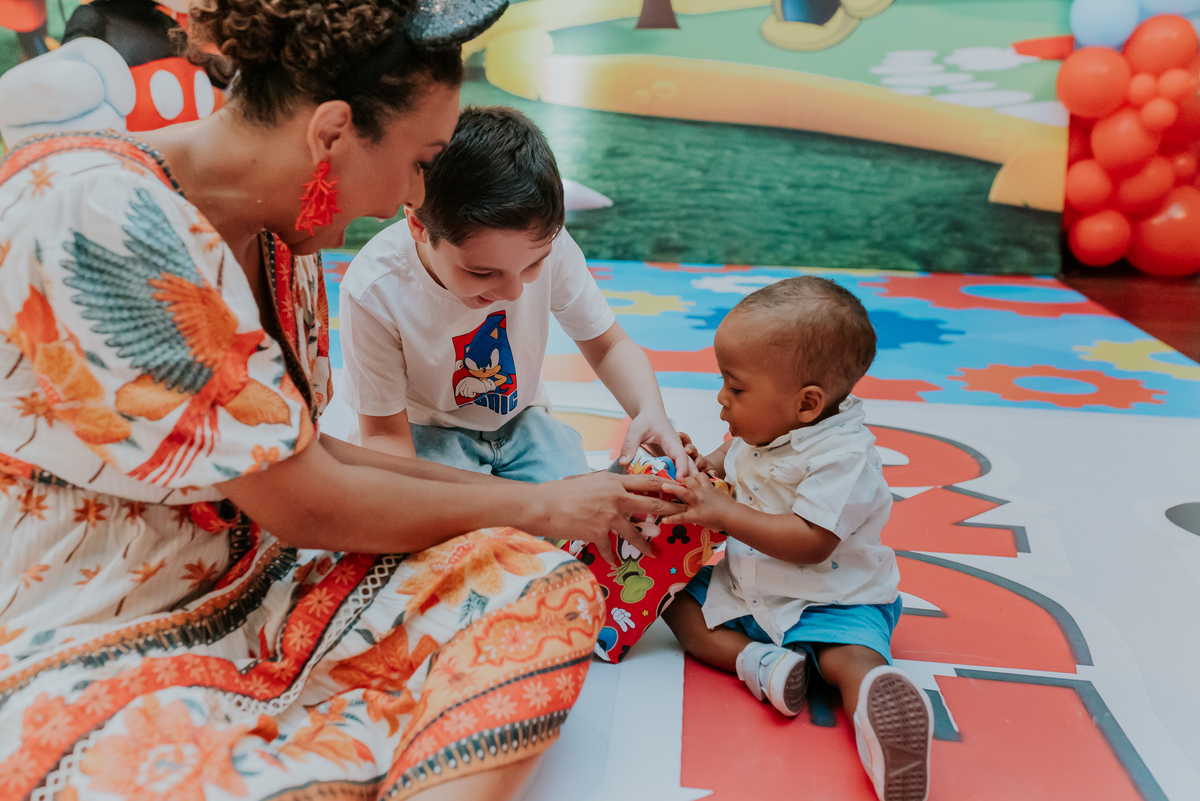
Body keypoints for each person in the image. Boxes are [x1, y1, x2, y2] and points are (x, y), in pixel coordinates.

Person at [0, 2, 682, 799]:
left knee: (540, 583)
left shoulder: (278, 239)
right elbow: (307, 502)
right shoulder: (104, 214)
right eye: (423, 158)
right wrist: (540, 506)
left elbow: (305, 459)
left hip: (260, 568)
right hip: (105, 596)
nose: (420, 190)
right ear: (331, 134)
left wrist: (544, 503)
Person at [661, 277, 934, 801]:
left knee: (846, 659)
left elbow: (811, 540)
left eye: (736, 389)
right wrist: (699, 469)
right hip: (747, 590)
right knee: (672, 601)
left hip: (832, 601)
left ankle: (879, 720)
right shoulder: (762, 429)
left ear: (807, 404)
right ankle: (762, 665)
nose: (721, 400)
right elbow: (729, 463)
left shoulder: (844, 459)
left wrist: (725, 513)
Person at [340, 105, 692, 482]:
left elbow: (607, 346)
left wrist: (650, 410)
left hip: (523, 422)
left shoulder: (546, 244)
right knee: (453, 527)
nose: (513, 290)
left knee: (578, 515)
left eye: (532, 267)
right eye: (482, 272)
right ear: (418, 225)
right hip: (423, 433)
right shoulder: (374, 290)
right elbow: (383, 436)